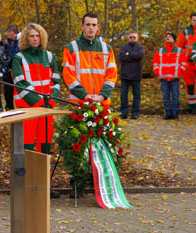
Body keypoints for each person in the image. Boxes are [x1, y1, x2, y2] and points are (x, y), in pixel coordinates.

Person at [62, 12, 117, 197]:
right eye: (88, 24)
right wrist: (85, 95)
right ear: (82, 26)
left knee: (101, 144)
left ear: (98, 27)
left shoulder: (107, 48)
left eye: (94, 24)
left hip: (102, 104)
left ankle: (99, 183)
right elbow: (68, 75)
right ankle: (77, 183)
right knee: (78, 144)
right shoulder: (71, 48)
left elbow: (112, 73)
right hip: (80, 104)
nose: (91, 28)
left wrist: (102, 95)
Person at [12, 23, 61, 198]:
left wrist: (50, 100)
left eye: (37, 36)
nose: (35, 39)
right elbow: (20, 83)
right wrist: (40, 101)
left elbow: (56, 81)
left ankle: (44, 184)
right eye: (31, 36)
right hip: (28, 110)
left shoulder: (49, 57)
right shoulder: (19, 58)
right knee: (27, 147)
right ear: (26, 38)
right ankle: (27, 185)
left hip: (46, 111)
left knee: (45, 146)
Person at [152, 33, 187, 120]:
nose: (167, 38)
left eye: (170, 37)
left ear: (174, 39)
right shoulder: (160, 51)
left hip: (174, 78)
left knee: (175, 96)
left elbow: (184, 63)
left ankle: (175, 114)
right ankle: (168, 113)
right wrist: (157, 72)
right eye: (167, 37)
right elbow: (155, 63)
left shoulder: (179, 51)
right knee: (165, 96)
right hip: (163, 78)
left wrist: (180, 71)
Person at [119, 32, 145, 119]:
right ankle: (124, 113)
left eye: (134, 37)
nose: (132, 38)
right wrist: (133, 56)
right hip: (125, 75)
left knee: (136, 96)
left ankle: (135, 113)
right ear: (128, 38)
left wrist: (129, 54)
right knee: (123, 96)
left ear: (137, 38)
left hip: (136, 75)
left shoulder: (140, 48)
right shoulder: (123, 47)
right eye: (131, 37)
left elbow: (140, 56)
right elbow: (122, 57)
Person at [177, 12, 196, 113]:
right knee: (190, 85)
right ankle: (192, 107)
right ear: (190, 20)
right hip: (188, 62)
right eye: (194, 20)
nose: (195, 22)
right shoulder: (185, 32)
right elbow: (179, 47)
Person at [3, 24, 20, 110]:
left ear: (15, 33)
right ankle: (9, 107)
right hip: (8, 71)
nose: (7, 34)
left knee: (18, 89)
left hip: (18, 70)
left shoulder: (21, 42)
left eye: (9, 32)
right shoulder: (5, 43)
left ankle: (20, 107)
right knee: (8, 90)